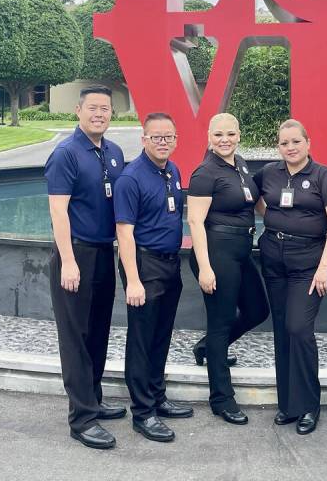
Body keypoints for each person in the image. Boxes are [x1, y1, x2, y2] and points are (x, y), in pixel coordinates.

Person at [45, 86, 125, 449]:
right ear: (78, 110)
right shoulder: (66, 153)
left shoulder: (114, 151)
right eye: (92, 108)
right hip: (75, 255)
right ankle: (82, 419)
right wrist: (69, 262)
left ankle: (92, 397)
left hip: (103, 253)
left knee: (97, 332)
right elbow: (58, 210)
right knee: (75, 338)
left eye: (105, 109)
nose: (99, 114)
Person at [254, 119, 327, 435]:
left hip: (309, 265)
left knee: (298, 329)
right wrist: (275, 221)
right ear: (278, 147)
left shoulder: (324, 176)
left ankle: (309, 405)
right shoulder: (269, 173)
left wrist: (324, 267)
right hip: (273, 261)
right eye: (284, 143)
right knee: (282, 329)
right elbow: (254, 199)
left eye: (296, 141)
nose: (290, 148)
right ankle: (288, 405)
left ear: (308, 143)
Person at [114, 112, 194, 442]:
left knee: (161, 335)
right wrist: (133, 280)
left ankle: (157, 396)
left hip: (170, 263)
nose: (163, 142)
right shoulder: (130, 178)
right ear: (143, 139)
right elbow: (124, 233)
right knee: (142, 339)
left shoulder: (171, 171)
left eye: (169, 137)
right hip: (144, 266)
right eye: (156, 137)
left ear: (176, 140)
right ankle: (143, 412)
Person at [187, 113, 270, 424]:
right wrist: (205, 267)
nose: (225, 139)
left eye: (230, 134)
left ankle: (208, 347)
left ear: (239, 134)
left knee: (257, 310)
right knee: (221, 322)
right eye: (219, 134)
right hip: (216, 253)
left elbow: (256, 203)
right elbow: (195, 221)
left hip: (241, 250)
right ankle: (222, 398)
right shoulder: (205, 172)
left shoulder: (241, 165)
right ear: (209, 136)